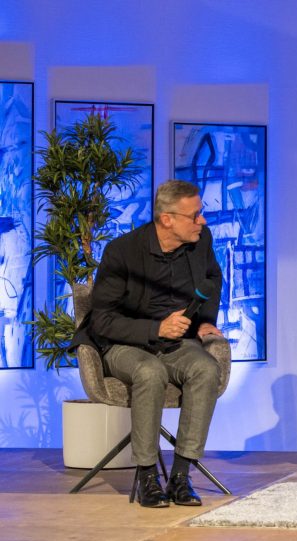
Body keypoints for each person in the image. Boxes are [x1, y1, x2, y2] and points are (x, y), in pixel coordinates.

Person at [71, 179, 225, 508]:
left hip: (175, 342)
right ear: (167, 218)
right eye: (195, 215)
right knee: (150, 372)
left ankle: (181, 476)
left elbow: (213, 277)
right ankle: (147, 476)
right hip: (123, 343)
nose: (203, 221)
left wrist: (205, 319)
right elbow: (103, 320)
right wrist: (157, 327)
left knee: (205, 369)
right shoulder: (123, 251)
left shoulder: (200, 242)